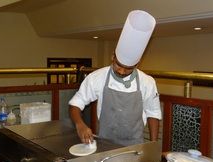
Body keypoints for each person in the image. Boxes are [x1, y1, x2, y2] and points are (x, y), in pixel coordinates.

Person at [69, 10, 162, 146]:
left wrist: (153, 145)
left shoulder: (147, 82)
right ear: (113, 57)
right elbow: (75, 104)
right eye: (118, 65)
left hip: (135, 145)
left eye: (128, 68)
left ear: (137, 63)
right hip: (105, 143)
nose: (122, 71)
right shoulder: (97, 77)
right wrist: (80, 124)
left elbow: (153, 113)